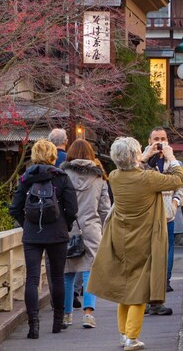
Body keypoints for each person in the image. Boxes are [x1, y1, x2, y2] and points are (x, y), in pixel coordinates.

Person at [88, 137, 183, 351]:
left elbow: (128, 166)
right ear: (135, 156)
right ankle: (132, 338)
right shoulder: (148, 179)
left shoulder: (114, 176)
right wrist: (171, 157)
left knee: (125, 288)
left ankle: (124, 334)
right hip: (143, 238)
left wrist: (143, 156)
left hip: (120, 237)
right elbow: (178, 180)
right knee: (139, 289)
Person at [9, 139, 78, 338]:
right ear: (53, 156)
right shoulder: (62, 177)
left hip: (32, 234)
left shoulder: (26, 178)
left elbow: (14, 208)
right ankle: (57, 322)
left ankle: (34, 325)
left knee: (32, 279)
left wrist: (28, 225)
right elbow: (72, 209)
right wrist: (65, 224)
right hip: (57, 233)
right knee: (57, 277)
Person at [60, 139, 111, 329]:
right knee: (91, 270)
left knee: (68, 273)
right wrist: (105, 231)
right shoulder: (99, 178)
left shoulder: (63, 175)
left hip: (68, 228)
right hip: (92, 228)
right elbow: (105, 209)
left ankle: (67, 315)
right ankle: (88, 314)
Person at [143, 127, 183, 315]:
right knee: (145, 260)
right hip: (145, 217)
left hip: (167, 215)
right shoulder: (142, 160)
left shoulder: (173, 163)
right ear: (149, 140)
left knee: (164, 258)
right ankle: (145, 300)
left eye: (163, 138)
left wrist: (176, 203)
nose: (160, 142)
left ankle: (159, 296)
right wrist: (145, 157)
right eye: (156, 139)